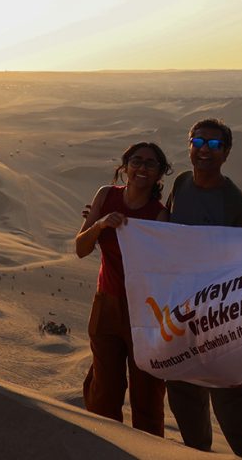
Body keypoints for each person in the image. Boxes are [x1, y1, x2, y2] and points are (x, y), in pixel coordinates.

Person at [165, 118, 242, 460]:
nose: (204, 151)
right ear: (189, 146)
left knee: (235, 413)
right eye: (198, 142)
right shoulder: (181, 184)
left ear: (226, 153)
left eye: (214, 145)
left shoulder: (238, 205)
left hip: (220, 320)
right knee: (184, 401)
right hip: (180, 314)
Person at [75, 141, 172, 436]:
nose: (142, 168)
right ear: (125, 166)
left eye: (150, 163)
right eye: (136, 161)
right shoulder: (106, 196)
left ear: (159, 174)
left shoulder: (159, 215)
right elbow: (81, 248)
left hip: (144, 313)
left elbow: (162, 269)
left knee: (147, 396)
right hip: (106, 305)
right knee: (104, 391)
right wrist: (100, 224)